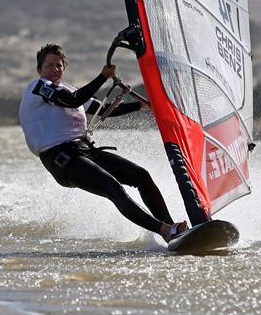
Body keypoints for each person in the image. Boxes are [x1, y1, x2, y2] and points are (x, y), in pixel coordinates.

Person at [19, 43, 188, 241]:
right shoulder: (38, 87)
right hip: (61, 159)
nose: (55, 69)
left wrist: (139, 105)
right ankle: (165, 230)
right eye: (49, 65)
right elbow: (72, 101)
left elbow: (107, 109)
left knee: (141, 176)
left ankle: (174, 230)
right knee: (113, 188)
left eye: (59, 65)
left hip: (83, 151)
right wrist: (102, 77)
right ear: (39, 69)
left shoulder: (68, 90)